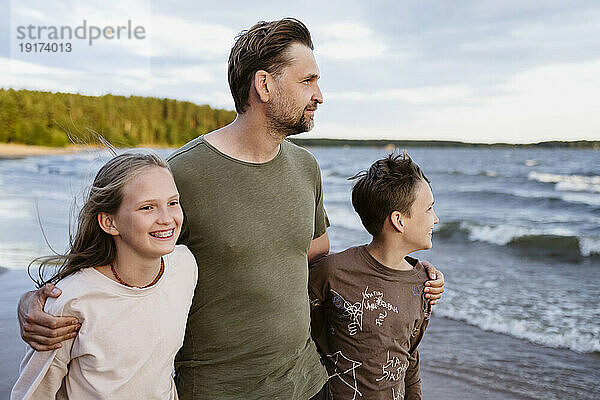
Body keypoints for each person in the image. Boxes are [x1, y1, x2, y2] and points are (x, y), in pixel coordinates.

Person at [16, 18, 445, 399]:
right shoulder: (181, 174)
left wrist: (404, 277)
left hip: (307, 383)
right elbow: (112, 263)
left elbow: (318, 263)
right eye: (308, 80)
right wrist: (37, 302)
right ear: (264, 85)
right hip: (214, 390)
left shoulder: (306, 167)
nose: (320, 95)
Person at [11, 153, 198, 399]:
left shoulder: (184, 266)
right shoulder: (72, 300)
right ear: (110, 222)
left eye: (172, 203)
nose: (167, 219)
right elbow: (34, 393)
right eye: (147, 207)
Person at [309, 152, 438, 400]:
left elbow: (409, 357)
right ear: (399, 221)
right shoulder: (332, 272)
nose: (435, 218)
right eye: (429, 209)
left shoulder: (423, 283)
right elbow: (297, 331)